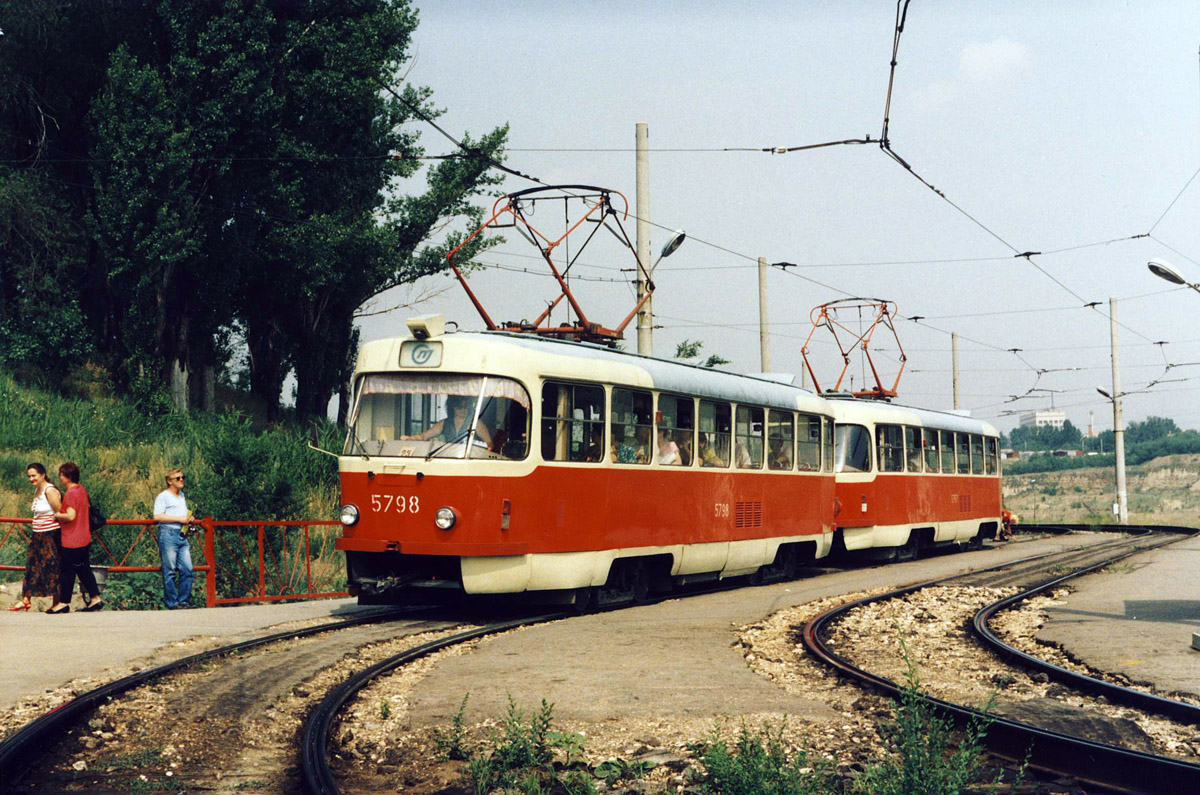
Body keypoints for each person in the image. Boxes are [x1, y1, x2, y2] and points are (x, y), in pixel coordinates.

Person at [47, 462, 102, 614]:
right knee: (83, 569)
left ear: (68, 477)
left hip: (72, 539)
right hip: (84, 536)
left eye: (61, 475)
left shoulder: (71, 493)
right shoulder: (81, 490)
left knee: (67, 571)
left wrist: (57, 515)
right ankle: (95, 598)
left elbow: (71, 516)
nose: (60, 478)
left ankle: (63, 602)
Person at [8, 464, 63, 612]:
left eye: (34, 475)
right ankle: (26, 599)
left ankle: (57, 601)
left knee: (52, 566)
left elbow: (60, 512)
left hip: (50, 534)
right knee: (32, 565)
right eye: (29, 476)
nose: (31, 479)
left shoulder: (49, 490)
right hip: (37, 534)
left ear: (43, 475)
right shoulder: (37, 490)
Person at [154, 468, 194, 609]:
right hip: (169, 533)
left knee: (187, 568)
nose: (181, 480)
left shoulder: (181, 496)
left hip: (182, 534)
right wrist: (180, 519)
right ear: (169, 481)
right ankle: (172, 602)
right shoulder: (163, 496)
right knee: (170, 569)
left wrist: (188, 519)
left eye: (183, 477)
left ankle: (184, 600)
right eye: (178, 478)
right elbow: (158, 516)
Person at [401, 395, 493, 449]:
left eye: (465, 407)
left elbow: (490, 444)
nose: (462, 410)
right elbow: (425, 436)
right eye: (459, 407)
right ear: (452, 407)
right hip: (449, 460)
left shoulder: (476, 423)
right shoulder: (444, 423)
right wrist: (410, 438)